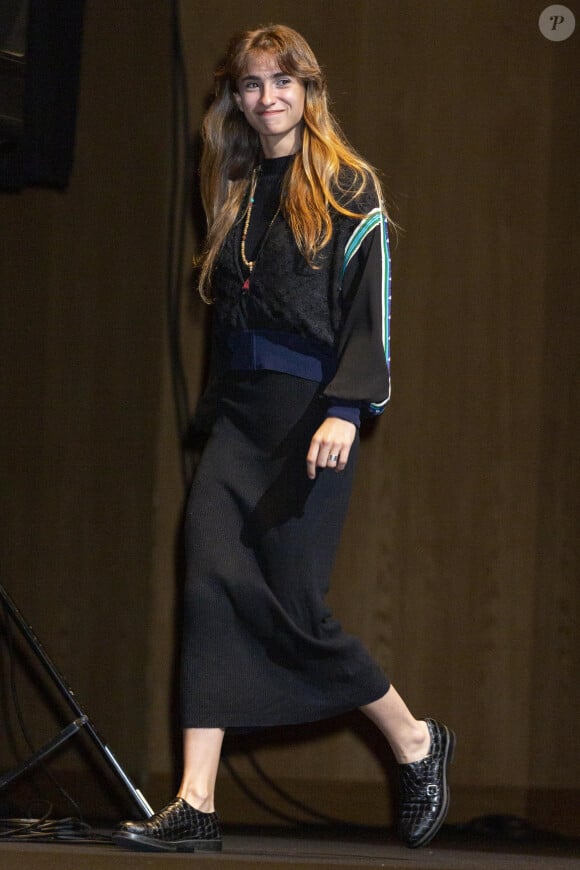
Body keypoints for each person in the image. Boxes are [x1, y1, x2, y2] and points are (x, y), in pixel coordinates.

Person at [113, 23, 454, 854]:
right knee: (206, 588)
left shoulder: (348, 185)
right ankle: (195, 801)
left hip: (312, 415)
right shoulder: (230, 180)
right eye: (251, 84)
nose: (266, 99)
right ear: (235, 95)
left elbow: (369, 311)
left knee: (292, 608)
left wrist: (347, 409)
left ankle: (414, 740)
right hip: (239, 417)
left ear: (309, 90)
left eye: (282, 82)